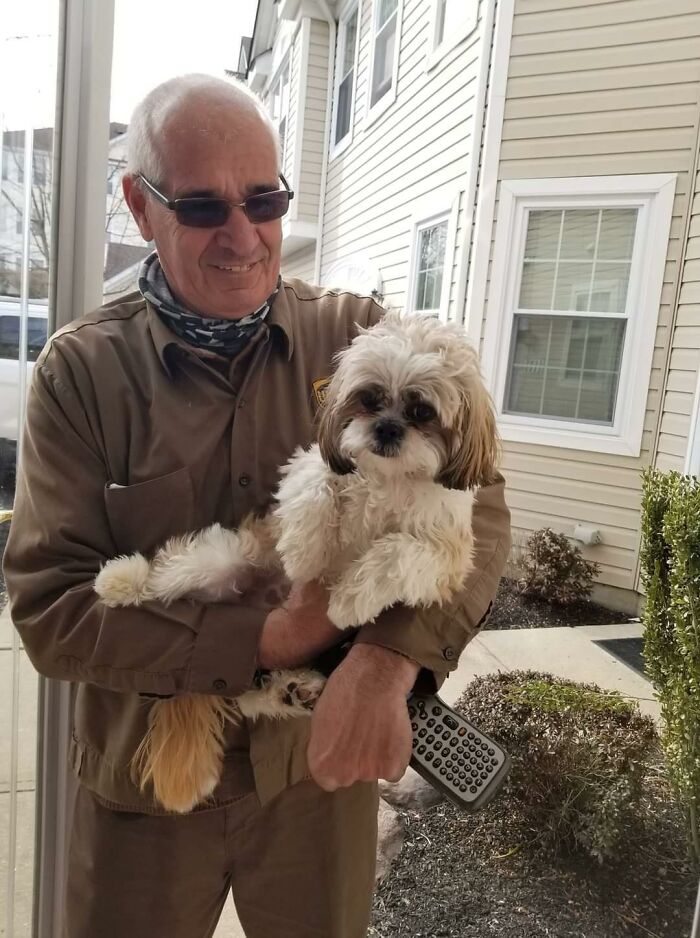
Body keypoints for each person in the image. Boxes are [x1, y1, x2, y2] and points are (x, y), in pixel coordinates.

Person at [3, 74, 510, 938]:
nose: (244, 235)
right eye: (202, 206)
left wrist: (388, 662)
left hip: (318, 780)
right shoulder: (80, 375)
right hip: (145, 788)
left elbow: (479, 511)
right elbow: (53, 609)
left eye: (265, 197)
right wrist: (268, 637)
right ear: (138, 204)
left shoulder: (362, 335)